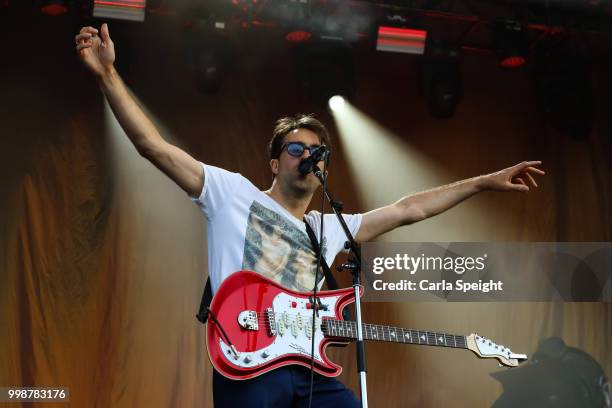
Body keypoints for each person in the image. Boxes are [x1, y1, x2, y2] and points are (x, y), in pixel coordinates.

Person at [75, 23, 546, 408]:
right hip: (248, 363)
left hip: (308, 372)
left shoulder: (328, 228)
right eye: (296, 148)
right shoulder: (231, 193)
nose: (307, 155)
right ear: (276, 163)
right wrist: (107, 75)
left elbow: (409, 209)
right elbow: (152, 147)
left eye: (317, 150)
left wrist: (483, 182)